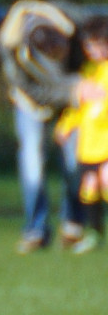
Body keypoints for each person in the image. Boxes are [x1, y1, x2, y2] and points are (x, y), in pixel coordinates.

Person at [67, 17, 108, 251]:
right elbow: (79, 106)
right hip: (89, 145)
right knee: (90, 187)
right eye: (90, 46)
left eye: (99, 45)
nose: (94, 51)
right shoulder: (89, 72)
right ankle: (95, 233)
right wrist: (66, 125)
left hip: (106, 142)